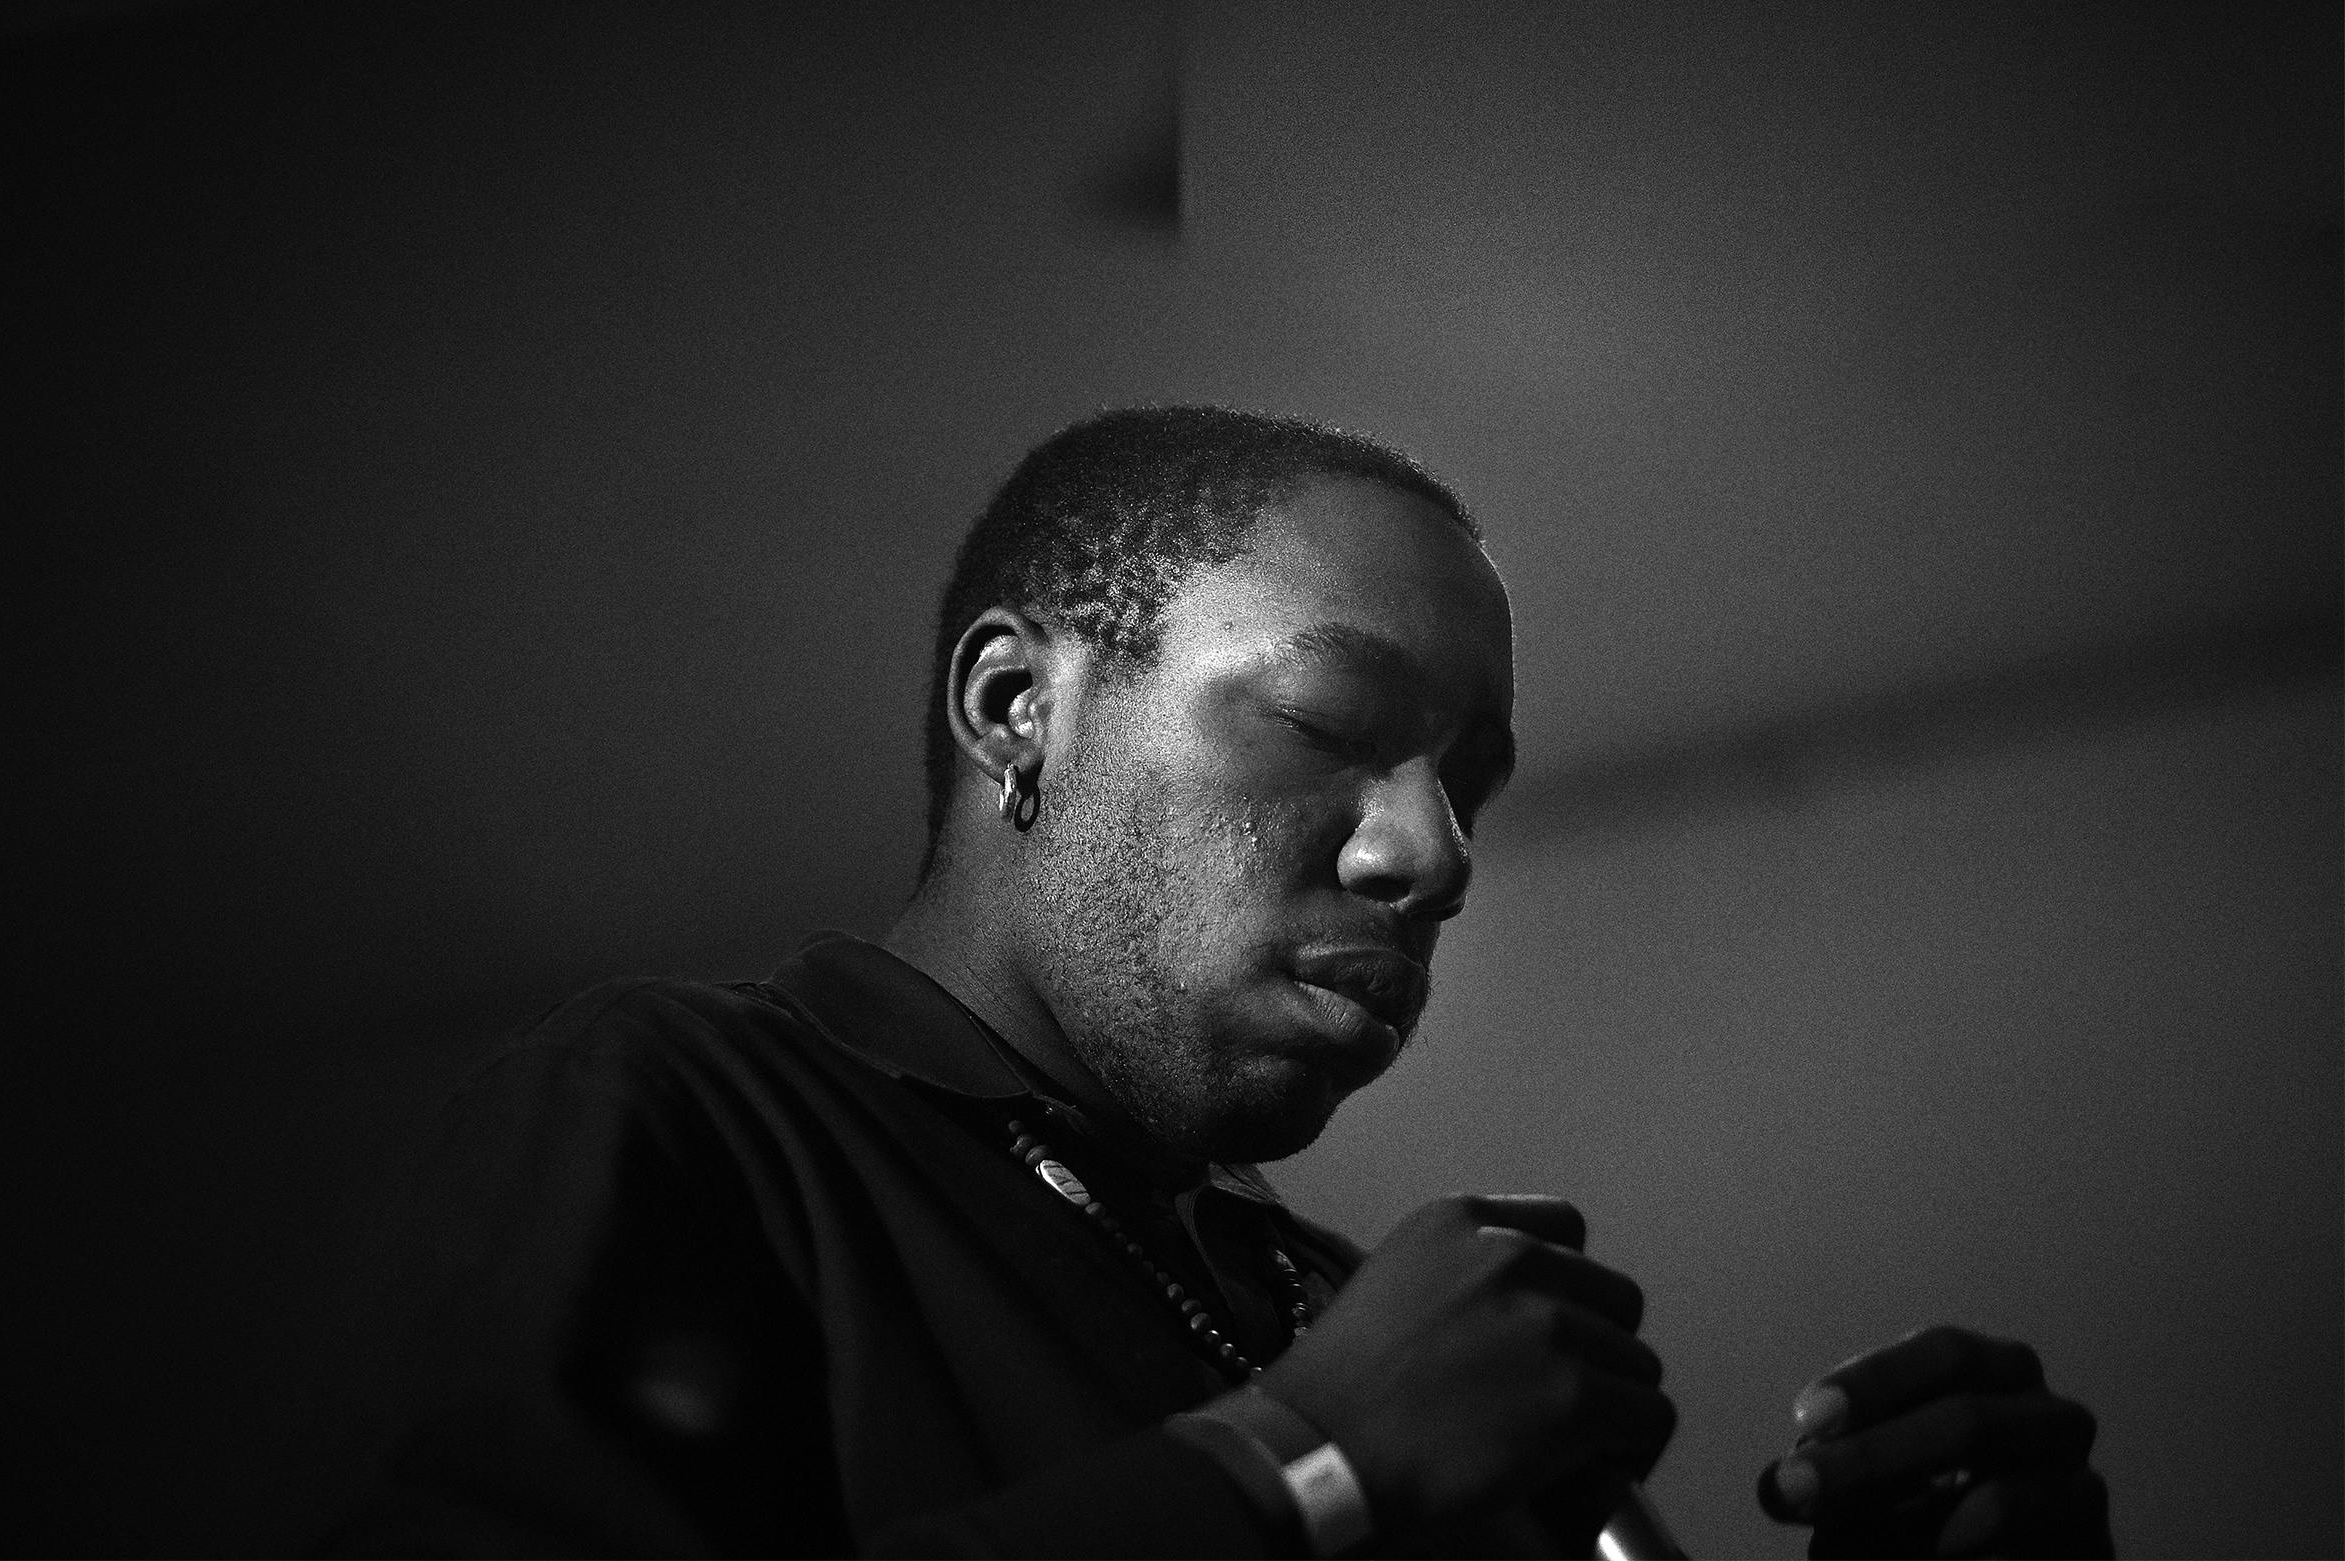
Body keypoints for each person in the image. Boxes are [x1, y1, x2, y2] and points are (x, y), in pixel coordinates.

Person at [323, 406, 2113, 1558]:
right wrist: (1307, 1465)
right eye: (1330, 724)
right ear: (1019, 711)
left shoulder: (1354, 1312)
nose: (1435, 853)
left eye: (1467, 787)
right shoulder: (693, 1111)